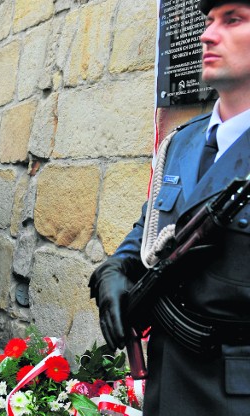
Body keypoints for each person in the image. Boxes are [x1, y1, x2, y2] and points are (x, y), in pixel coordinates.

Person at [90, 1, 250, 414]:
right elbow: (151, 228)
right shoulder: (183, 142)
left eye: (233, 20)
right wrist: (117, 268)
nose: (207, 34)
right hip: (165, 378)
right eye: (209, 21)